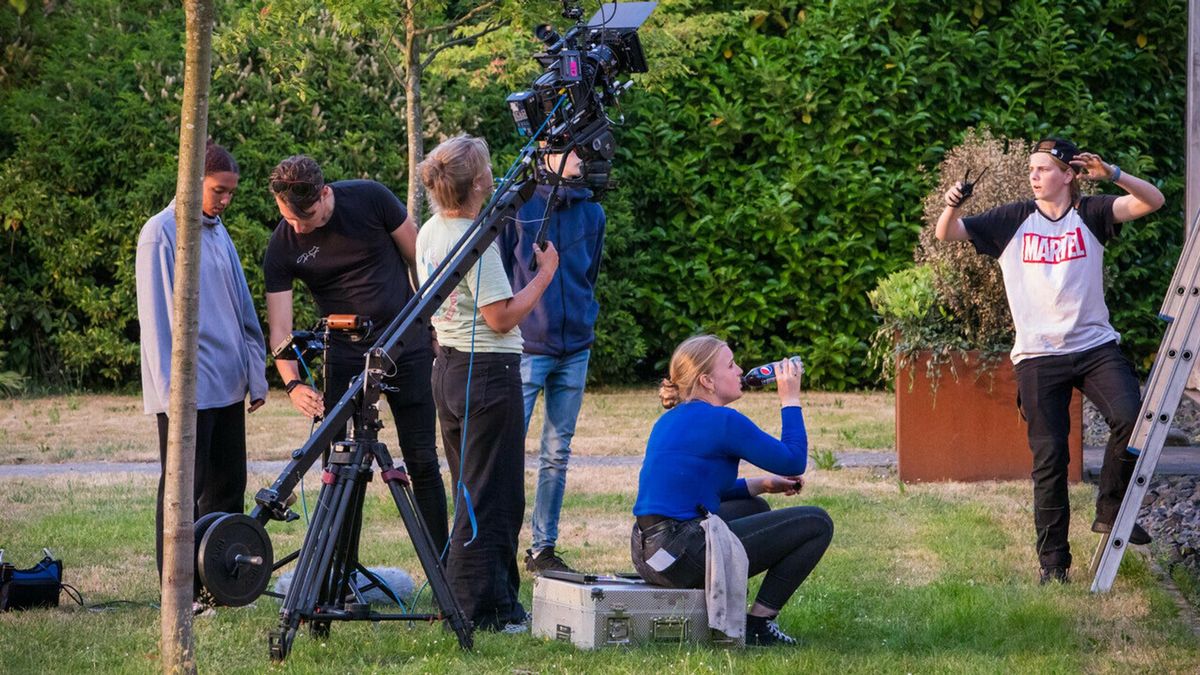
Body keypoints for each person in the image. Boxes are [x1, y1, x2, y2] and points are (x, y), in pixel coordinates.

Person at [935, 137, 1166, 584]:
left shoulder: (1093, 213)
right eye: (1030, 170)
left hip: (1095, 347)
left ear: (1068, 175)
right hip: (1039, 355)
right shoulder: (1012, 219)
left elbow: (1153, 200)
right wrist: (952, 205)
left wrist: (1114, 174)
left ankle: (1110, 508)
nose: (1034, 176)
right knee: (1050, 458)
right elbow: (948, 233)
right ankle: (1053, 566)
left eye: (1042, 169)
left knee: (1131, 417)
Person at [262, 155, 448, 551]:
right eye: (288, 218)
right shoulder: (282, 244)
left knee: (422, 459)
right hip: (344, 356)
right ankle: (337, 576)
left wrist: (432, 325)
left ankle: (444, 571)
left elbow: (422, 261)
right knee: (342, 468)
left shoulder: (371, 198)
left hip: (405, 343)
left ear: (325, 193)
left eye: (305, 216)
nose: (298, 226)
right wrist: (293, 384)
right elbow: (279, 332)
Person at [415, 134, 559, 632]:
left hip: (450, 370)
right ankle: (475, 608)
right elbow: (500, 317)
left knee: (475, 491)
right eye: (490, 168)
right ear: (479, 182)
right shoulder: (473, 238)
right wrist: (545, 276)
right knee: (490, 496)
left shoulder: (430, 231)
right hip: (488, 373)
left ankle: (492, 604)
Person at [631, 335, 834, 647]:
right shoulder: (723, 421)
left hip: (650, 555)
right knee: (817, 523)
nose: (740, 370)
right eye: (731, 364)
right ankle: (758, 624)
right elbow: (794, 461)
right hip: (681, 556)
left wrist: (762, 484)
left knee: (755, 507)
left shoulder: (670, 419)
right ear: (707, 380)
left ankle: (724, 608)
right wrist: (790, 397)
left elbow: (693, 493)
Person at [136, 141, 268, 581]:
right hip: (188, 393)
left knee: (229, 488)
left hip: (228, 386)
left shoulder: (217, 228)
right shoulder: (160, 232)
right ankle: (177, 587)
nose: (226, 201)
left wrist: (255, 372)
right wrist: (173, 396)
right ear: (192, 180)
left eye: (232, 192)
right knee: (181, 492)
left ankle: (219, 582)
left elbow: (241, 305)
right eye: (219, 191)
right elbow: (156, 321)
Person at [500, 149, 606, 575]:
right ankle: (498, 545)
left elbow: (590, 273)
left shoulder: (594, 213)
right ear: (548, 153)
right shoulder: (518, 208)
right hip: (526, 347)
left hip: (575, 346)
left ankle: (543, 548)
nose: (584, 156)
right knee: (506, 450)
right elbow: (504, 273)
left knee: (557, 453)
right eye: (574, 149)